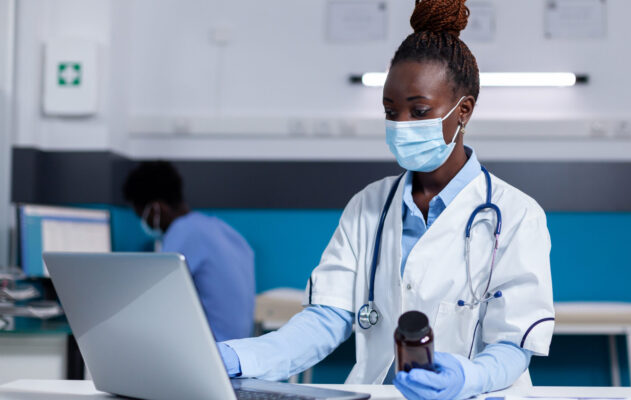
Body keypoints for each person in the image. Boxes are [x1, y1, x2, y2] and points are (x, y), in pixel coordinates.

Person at [218, 0, 554, 398]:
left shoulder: (515, 215)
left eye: (419, 110)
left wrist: (466, 378)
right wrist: (239, 357)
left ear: (463, 111)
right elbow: (327, 317)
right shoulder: (369, 205)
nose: (401, 125)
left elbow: (513, 345)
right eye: (391, 111)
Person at [122, 161, 255, 342]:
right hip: (239, 354)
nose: (143, 223)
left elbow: (152, 299)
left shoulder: (183, 232)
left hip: (214, 356)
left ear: (155, 209)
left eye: (142, 216)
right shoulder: (222, 230)